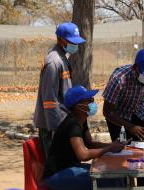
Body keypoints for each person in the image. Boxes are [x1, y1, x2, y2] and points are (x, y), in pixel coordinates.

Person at [43, 85, 125, 190]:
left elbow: (90, 144)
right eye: (89, 100)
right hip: (58, 174)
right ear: (78, 106)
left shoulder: (82, 120)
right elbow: (83, 155)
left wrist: (113, 145)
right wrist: (109, 148)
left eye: (92, 99)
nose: (93, 103)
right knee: (110, 181)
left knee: (117, 176)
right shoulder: (73, 124)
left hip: (71, 168)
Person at [33, 22, 85, 158]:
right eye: (71, 41)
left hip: (61, 121)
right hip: (52, 126)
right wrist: (56, 128)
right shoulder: (54, 62)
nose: (75, 45)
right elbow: (49, 100)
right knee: (54, 167)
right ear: (61, 39)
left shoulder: (63, 58)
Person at [102, 48, 144, 144]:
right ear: (135, 68)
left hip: (140, 113)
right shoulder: (119, 78)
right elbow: (108, 111)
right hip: (118, 117)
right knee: (121, 149)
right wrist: (130, 127)